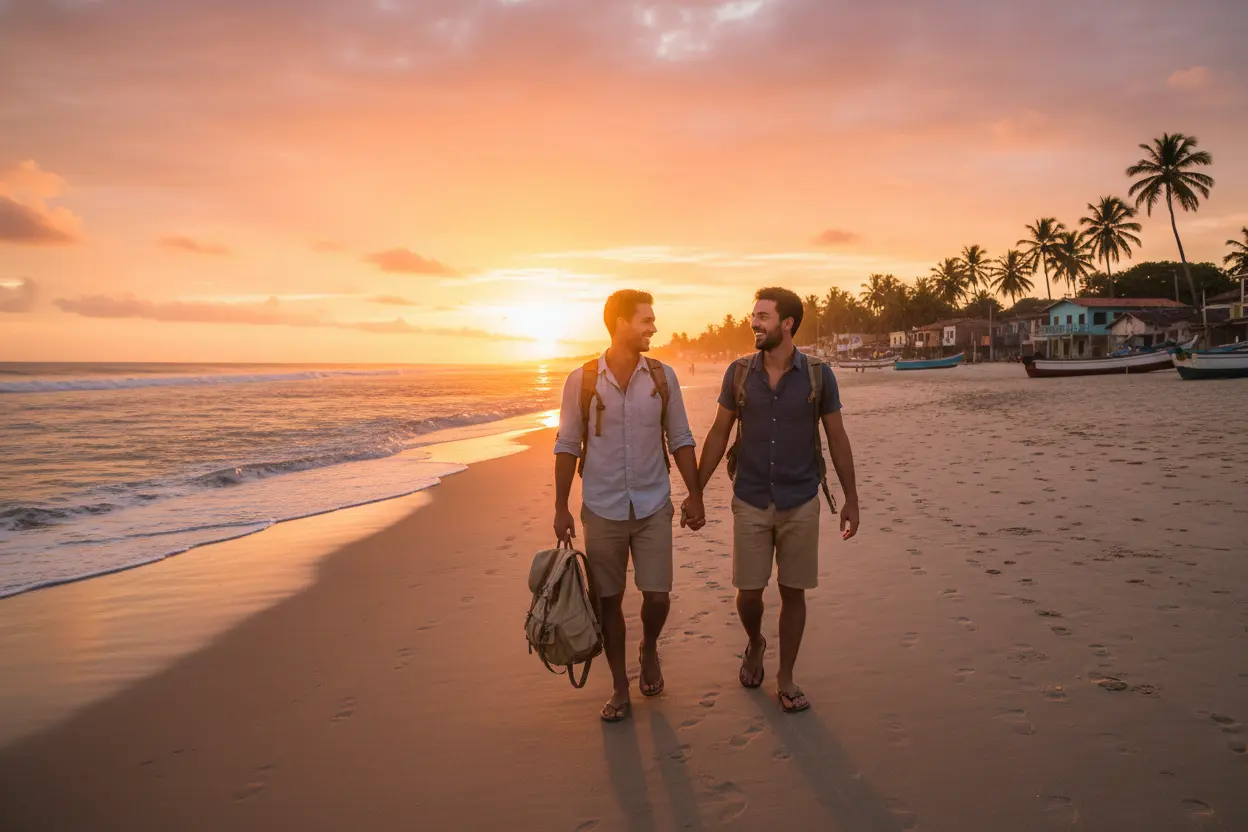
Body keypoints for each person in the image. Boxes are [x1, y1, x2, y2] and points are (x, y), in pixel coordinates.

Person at [688, 287, 859, 713]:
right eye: (753, 316)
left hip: (801, 499)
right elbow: (718, 432)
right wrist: (697, 491)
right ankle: (754, 641)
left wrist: (852, 498)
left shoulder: (818, 375)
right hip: (750, 497)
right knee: (748, 593)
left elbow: (837, 437)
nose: (754, 323)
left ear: (787, 323)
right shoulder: (740, 373)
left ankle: (786, 677)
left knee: (792, 592)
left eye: (763, 316)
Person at [553, 290, 705, 722]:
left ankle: (650, 646)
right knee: (609, 601)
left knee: (657, 597)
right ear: (620, 322)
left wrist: (693, 494)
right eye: (646, 320)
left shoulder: (662, 377)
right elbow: (566, 444)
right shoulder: (581, 380)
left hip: (653, 503)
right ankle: (620, 686)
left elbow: (680, 437)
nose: (654, 327)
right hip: (601, 506)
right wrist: (561, 508)